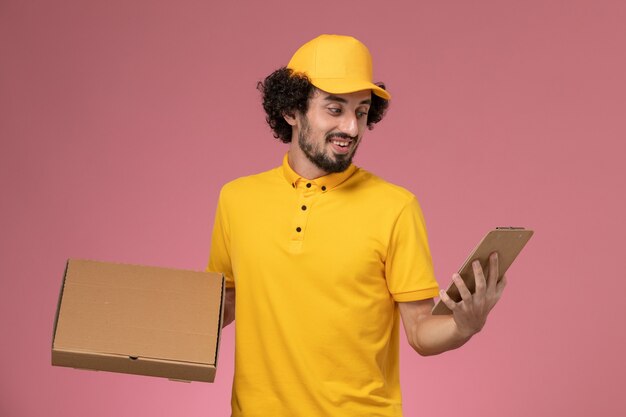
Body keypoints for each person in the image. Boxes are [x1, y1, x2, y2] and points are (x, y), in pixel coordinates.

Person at [207, 34, 506, 417]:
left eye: (361, 112)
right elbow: (225, 303)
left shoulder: (395, 207)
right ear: (291, 111)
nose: (351, 127)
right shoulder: (237, 200)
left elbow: (419, 330)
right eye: (335, 109)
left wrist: (464, 325)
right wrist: (141, 322)